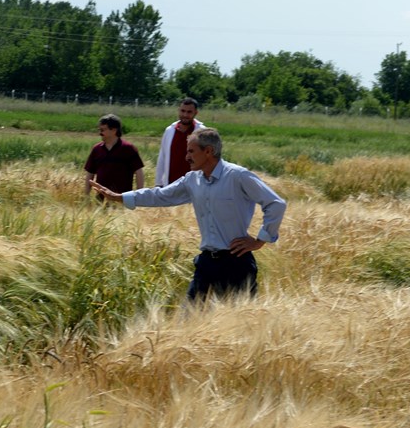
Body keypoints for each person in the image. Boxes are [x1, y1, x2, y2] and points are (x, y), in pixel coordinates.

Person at [90, 127, 286, 301]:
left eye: (191, 151)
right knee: (190, 319)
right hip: (206, 264)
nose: (186, 157)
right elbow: (159, 196)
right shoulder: (192, 180)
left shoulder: (238, 176)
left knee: (243, 326)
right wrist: (119, 197)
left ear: (208, 151)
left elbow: (275, 203)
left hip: (237, 264)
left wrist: (260, 240)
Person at [83, 113, 145, 199]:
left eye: (103, 130)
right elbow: (90, 174)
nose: (100, 133)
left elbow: (139, 172)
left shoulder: (128, 149)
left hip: (123, 199)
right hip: (100, 200)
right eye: (99, 130)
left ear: (114, 130)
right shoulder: (96, 149)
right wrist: (86, 195)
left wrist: (139, 196)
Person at [154, 97, 204, 186]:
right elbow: (162, 157)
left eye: (189, 112)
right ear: (178, 110)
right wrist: (158, 183)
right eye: (183, 111)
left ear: (196, 113)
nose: (185, 115)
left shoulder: (202, 132)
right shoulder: (169, 131)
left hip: (194, 186)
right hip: (170, 185)